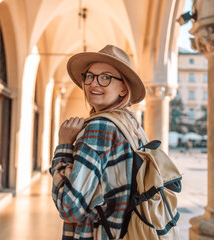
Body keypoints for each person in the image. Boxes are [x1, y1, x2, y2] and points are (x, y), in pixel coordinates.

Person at [50, 45, 147, 240]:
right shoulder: (131, 125)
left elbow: (69, 208)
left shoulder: (100, 127)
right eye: (90, 76)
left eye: (106, 77)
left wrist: (64, 145)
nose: (94, 83)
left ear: (123, 88)